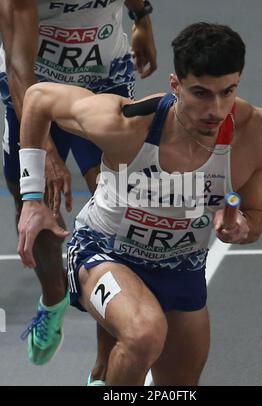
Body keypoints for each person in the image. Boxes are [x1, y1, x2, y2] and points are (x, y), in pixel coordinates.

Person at [17, 22, 262, 385]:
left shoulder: (256, 133)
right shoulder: (126, 124)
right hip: (104, 251)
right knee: (143, 334)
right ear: (176, 85)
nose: (215, 110)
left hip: (180, 267)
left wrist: (243, 227)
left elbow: (257, 215)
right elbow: (38, 98)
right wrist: (31, 198)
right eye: (201, 93)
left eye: (227, 91)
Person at [0, 0, 156, 366]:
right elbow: (19, 71)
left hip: (106, 78)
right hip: (34, 83)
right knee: (32, 198)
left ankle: (105, 364)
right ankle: (53, 298)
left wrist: (142, 17)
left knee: (120, 204)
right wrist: (44, 153)